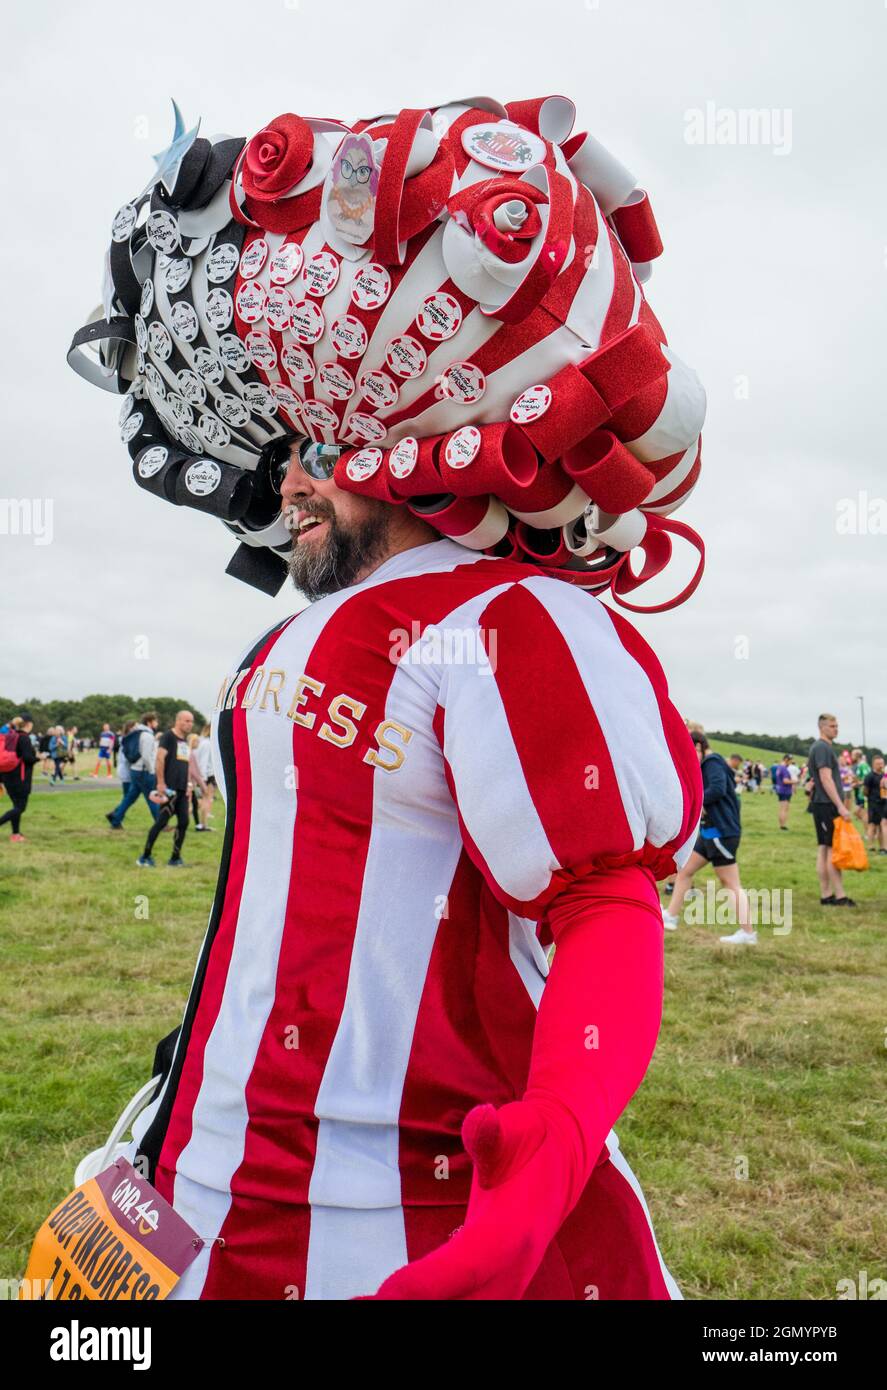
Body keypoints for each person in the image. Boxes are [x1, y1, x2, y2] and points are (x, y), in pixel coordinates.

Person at [70, 92, 707, 1302]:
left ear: (397, 440)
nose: (287, 481)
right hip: (208, 1197)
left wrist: (552, 1142)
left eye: (312, 448)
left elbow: (603, 900)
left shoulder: (510, 618)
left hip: (415, 1222)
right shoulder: (293, 642)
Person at [664, 732, 754, 945]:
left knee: (730, 882)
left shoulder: (712, 763)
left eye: (688, 751)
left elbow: (718, 789)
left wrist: (696, 799)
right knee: (685, 871)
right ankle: (672, 916)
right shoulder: (711, 762)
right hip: (710, 832)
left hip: (721, 833)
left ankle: (748, 933)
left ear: (698, 746)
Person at [808, 714, 856, 908]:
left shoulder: (823, 747)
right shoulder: (822, 747)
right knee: (830, 849)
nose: (836, 729)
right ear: (822, 728)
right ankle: (838, 895)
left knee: (825, 849)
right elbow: (825, 778)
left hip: (823, 804)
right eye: (832, 726)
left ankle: (827, 894)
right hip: (826, 804)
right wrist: (840, 805)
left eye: (837, 726)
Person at [138, 711, 194, 868]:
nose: (190, 724)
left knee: (184, 822)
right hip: (169, 789)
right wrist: (161, 783)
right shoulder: (168, 737)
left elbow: (186, 763)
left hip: (182, 789)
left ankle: (175, 858)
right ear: (178, 721)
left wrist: (189, 784)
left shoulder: (185, 741)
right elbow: (160, 758)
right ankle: (145, 856)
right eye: (187, 721)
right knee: (161, 822)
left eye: (191, 721)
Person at [106, 713, 160, 829]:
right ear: (149, 722)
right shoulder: (147, 735)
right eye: (156, 721)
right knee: (152, 798)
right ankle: (161, 824)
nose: (157, 724)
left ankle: (115, 820)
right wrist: (151, 770)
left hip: (135, 770)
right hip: (144, 771)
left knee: (130, 798)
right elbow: (146, 756)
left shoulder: (136, 733)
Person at [0, 715, 38, 841]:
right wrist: (39, 758)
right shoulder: (24, 738)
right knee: (20, 807)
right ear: (28, 724)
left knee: (16, 806)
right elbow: (28, 759)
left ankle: (15, 834)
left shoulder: (10, 736)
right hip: (20, 777)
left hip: (7, 775)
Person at [863, 755, 887, 854]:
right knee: (872, 825)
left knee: (882, 826)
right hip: (873, 803)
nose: (880, 766)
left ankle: (882, 847)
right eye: (878, 764)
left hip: (883, 803)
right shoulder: (869, 776)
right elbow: (865, 791)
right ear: (873, 764)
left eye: (882, 763)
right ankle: (871, 846)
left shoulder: (884, 776)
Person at [194, 724, 216, 831]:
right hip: (207, 776)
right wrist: (203, 779)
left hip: (207, 775)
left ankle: (202, 824)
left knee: (205, 800)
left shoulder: (204, 742)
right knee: (206, 800)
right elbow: (203, 762)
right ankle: (203, 825)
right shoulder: (207, 744)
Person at [187, 733, 210, 831]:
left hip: (189, 783)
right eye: (197, 741)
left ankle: (197, 825)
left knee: (195, 804)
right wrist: (203, 785)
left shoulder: (189, 753)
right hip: (189, 783)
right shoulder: (190, 754)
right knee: (192, 804)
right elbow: (194, 772)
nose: (198, 743)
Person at [773, 753, 794, 829]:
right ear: (786, 760)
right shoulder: (784, 769)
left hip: (780, 789)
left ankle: (781, 825)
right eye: (790, 761)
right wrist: (795, 781)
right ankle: (783, 826)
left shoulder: (779, 768)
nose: (791, 763)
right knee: (784, 809)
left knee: (782, 808)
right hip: (785, 790)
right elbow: (785, 781)